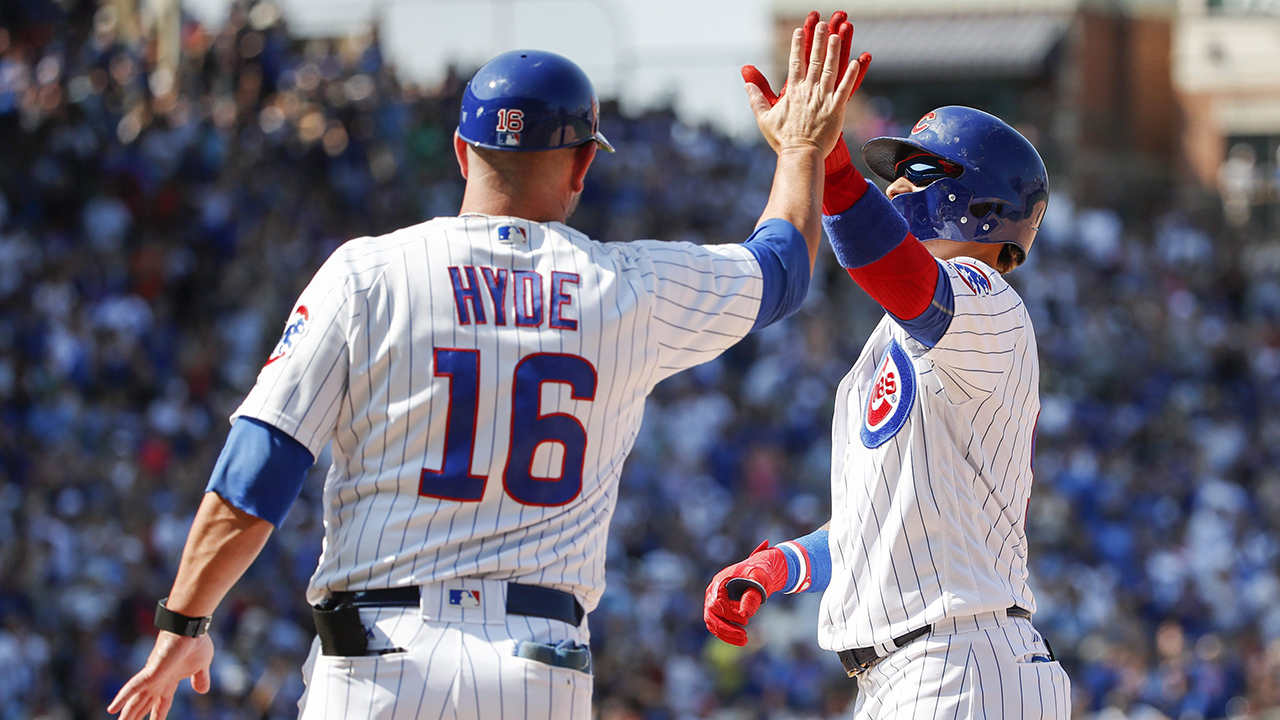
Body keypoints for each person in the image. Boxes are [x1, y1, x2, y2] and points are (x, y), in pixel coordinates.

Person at [108, 24, 863, 720]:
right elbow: (783, 268)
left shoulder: (367, 275)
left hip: (376, 656)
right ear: (582, 164)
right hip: (538, 662)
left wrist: (184, 623)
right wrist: (799, 148)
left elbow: (258, 469)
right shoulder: (628, 287)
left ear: (463, 153)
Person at [703, 16, 1072, 718]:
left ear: (985, 206)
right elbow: (881, 530)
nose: (899, 187)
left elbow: (893, 271)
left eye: (920, 170)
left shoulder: (986, 302)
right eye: (894, 173)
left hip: (962, 665)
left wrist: (827, 163)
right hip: (920, 670)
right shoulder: (901, 338)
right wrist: (778, 564)